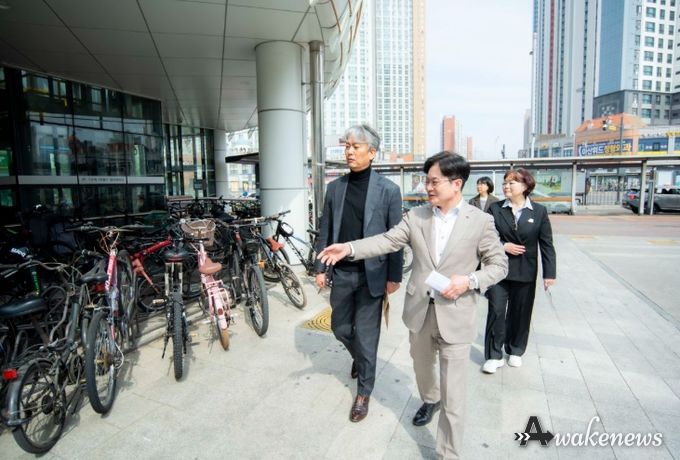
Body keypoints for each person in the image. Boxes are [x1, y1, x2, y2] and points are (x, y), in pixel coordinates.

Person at [318, 151, 508, 459]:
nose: (427, 187)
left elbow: (499, 265)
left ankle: (448, 453)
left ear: (456, 184)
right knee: (422, 370)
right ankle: (430, 399)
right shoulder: (417, 216)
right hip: (420, 312)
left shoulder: (480, 221)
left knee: (454, 395)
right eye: (426, 181)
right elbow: (386, 240)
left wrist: (470, 281)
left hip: (456, 315)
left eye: (434, 182)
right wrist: (349, 248)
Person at [314, 124, 403, 423]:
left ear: (372, 152)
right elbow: (325, 230)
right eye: (347, 146)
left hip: (372, 275)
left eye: (356, 146)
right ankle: (361, 360)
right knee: (340, 328)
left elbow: (396, 237)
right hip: (342, 273)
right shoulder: (335, 188)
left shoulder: (389, 190)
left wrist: (394, 276)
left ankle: (363, 392)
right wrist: (320, 267)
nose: (349, 152)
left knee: (366, 336)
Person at [482, 168, 556, 374]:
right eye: (505, 182)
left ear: (525, 186)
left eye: (511, 183)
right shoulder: (495, 209)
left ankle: (515, 349)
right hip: (498, 270)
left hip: (525, 270)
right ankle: (493, 355)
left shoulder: (539, 211)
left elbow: (546, 244)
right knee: (496, 311)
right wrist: (503, 245)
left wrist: (549, 273)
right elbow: (485, 236)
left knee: (521, 312)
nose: (506, 186)